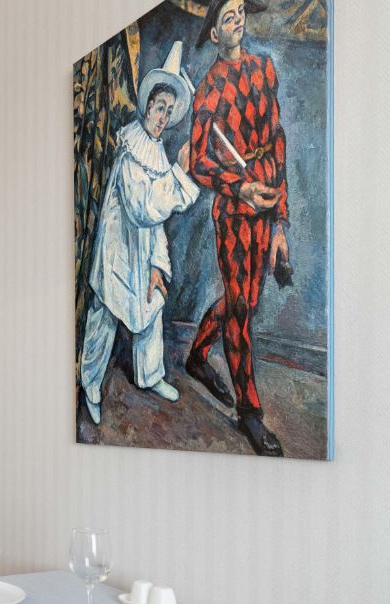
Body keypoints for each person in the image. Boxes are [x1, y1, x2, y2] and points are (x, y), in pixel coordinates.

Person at [186, 0, 291, 456]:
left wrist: (281, 219)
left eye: (239, 12)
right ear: (214, 34)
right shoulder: (209, 88)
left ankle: (196, 357)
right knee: (242, 308)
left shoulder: (264, 69)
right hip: (233, 211)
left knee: (240, 301)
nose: (237, 20)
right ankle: (250, 412)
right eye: (227, 17)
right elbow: (198, 162)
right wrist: (239, 188)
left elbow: (278, 141)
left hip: (265, 203)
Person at [80, 41, 200, 426]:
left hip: (142, 251)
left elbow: (156, 224)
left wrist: (158, 264)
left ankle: (150, 375)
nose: (163, 116)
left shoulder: (157, 151)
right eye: (159, 107)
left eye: (169, 110)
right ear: (147, 106)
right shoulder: (131, 148)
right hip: (117, 251)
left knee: (152, 304)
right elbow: (142, 208)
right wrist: (179, 175)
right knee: (106, 313)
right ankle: (90, 384)